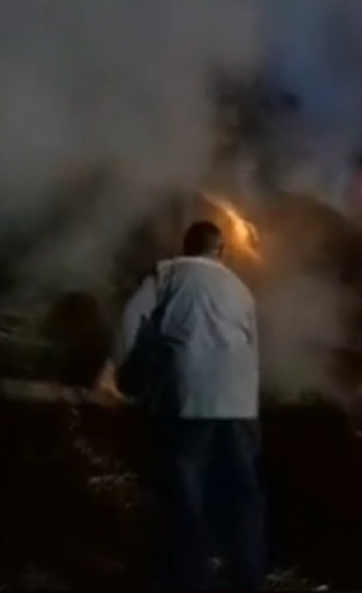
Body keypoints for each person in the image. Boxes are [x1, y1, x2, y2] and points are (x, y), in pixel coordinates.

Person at [94, 220, 264, 591]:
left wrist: (109, 373)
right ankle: (248, 578)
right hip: (238, 401)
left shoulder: (168, 273)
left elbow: (132, 319)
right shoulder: (241, 289)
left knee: (186, 494)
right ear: (220, 250)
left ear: (186, 246)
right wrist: (252, 412)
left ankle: (192, 579)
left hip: (189, 397)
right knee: (243, 495)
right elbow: (252, 349)